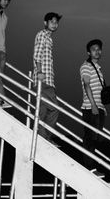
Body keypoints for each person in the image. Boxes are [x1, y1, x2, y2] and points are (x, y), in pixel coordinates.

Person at [33, 12, 62, 146]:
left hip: (49, 81)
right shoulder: (42, 35)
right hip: (43, 80)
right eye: (52, 22)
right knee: (55, 109)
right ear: (46, 23)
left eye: (56, 22)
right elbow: (37, 54)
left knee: (42, 111)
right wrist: (39, 72)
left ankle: (41, 137)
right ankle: (45, 138)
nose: (55, 24)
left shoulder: (50, 39)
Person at [80, 39, 107, 177]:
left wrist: (101, 107)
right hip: (90, 108)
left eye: (98, 49)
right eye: (93, 49)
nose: (97, 51)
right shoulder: (86, 66)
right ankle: (89, 168)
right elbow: (86, 85)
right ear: (88, 52)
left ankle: (93, 167)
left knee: (96, 139)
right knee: (90, 138)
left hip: (99, 108)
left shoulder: (98, 68)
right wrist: (94, 106)